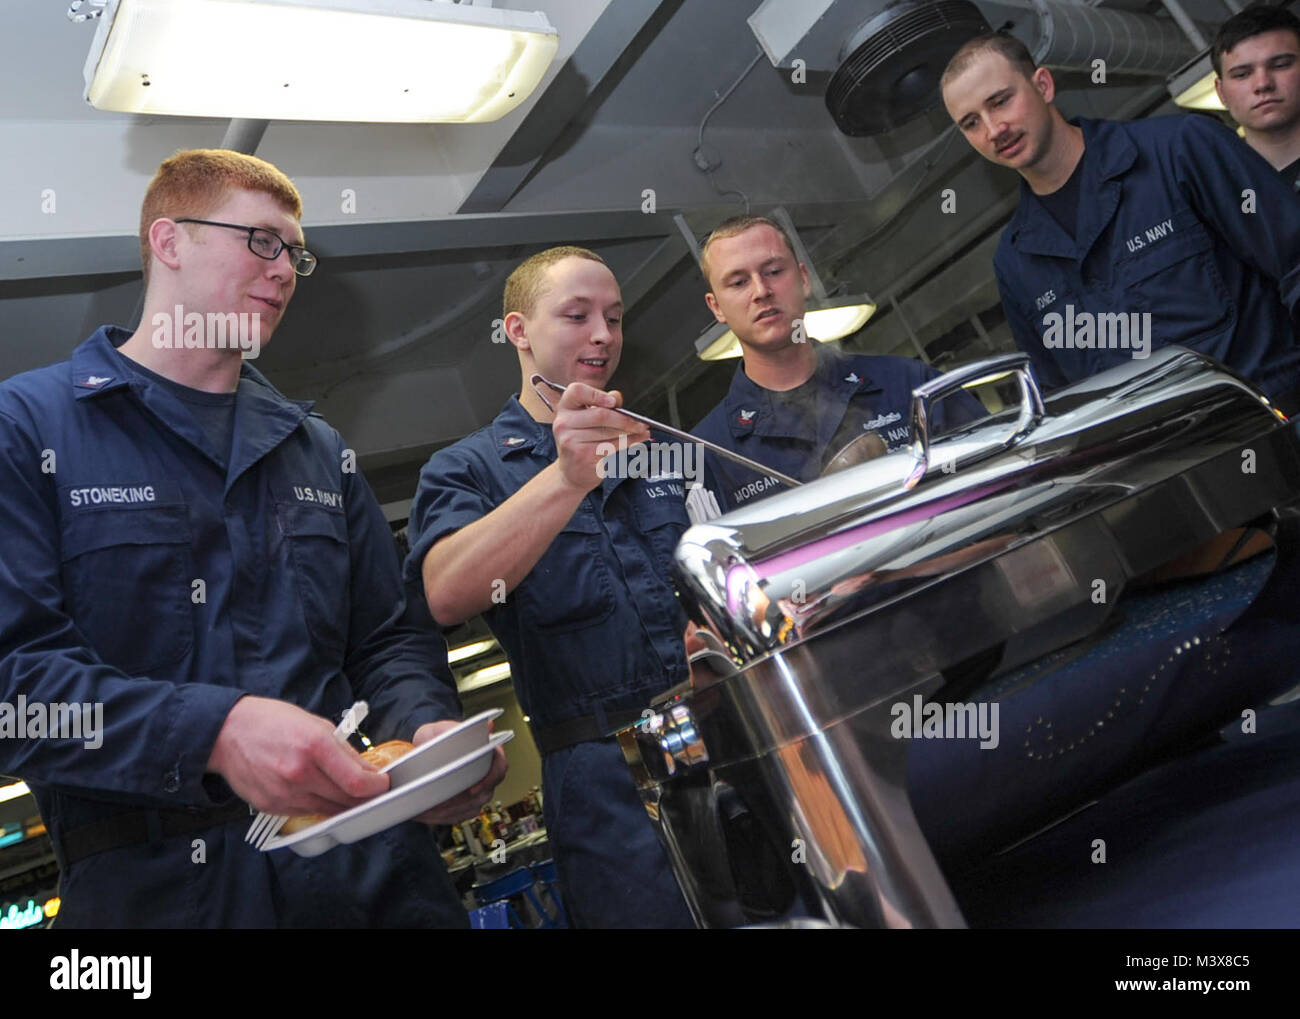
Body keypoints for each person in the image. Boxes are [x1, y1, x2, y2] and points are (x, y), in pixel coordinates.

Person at [0, 149, 504, 928]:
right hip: (155, 891)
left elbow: (387, 638)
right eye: (261, 241)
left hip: (370, 875)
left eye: (295, 253)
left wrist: (422, 728)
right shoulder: (28, 428)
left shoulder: (317, 448)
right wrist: (214, 731)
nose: (286, 270)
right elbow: (15, 689)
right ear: (169, 242)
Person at [404, 246, 696, 928]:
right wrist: (564, 478)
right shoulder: (469, 468)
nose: (603, 334)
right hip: (600, 775)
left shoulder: (653, 448)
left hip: (715, 732)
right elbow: (445, 592)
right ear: (518, 330)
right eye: (577, 315)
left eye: (615, 318)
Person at [940, 32, 1300, 411]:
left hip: (1274, 425)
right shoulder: (1015, 263)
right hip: (1163, 463)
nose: (993, 129)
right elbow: (1059, 400)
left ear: (1043, 85)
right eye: (971, 123)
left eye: (1000, 102)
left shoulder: (1180, 149)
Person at [692, 216, 984, 510]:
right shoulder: (708, 454)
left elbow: (999, 486)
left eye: (774, 271)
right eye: (739, 282)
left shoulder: (910, 385)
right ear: (716, 306)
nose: (761, 291)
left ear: (804, 279)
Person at [1212, 4, 1300, 191]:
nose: (1262, 84)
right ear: (1221, 92)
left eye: (1281, 65)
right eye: (1242, 74)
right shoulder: (1225, 198)